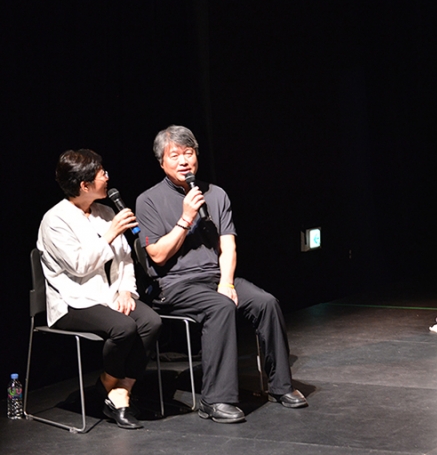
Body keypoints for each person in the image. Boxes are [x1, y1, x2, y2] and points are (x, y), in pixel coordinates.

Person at [135, 125, 307, 424]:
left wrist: (227, 282)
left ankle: (281, 386)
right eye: (174, 155)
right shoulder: (148, 200)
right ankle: (215, 400)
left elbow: (228, 245)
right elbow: (158, 255)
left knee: (266, 302)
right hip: (174, 284)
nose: (183, 161)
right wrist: (186, 218)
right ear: (162, 162)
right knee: (220, 306)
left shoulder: (215, 194)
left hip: (215, 276)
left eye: (189, 153)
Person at [37, 149, 162, 430]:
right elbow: (79, 266)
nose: (107, 177)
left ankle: (119, 390)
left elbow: (125, 258)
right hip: (73, 300)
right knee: (124, 328)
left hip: (110, 295)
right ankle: (109, 388)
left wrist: (126, 290)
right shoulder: (55, 220)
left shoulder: (105, 212)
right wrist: (110, 233)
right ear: (84, 185)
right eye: (101, 173)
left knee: (151, 322)